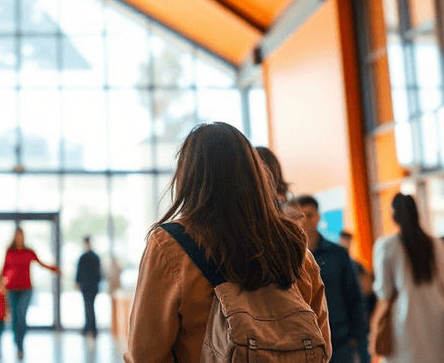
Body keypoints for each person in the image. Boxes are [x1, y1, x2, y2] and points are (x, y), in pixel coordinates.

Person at [125, 122, 329, 363]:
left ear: (188, 177)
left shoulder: (171, 245)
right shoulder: (293, 246)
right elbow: (321, 341)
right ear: (255, 173)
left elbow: (145, 354)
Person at [373, 193, 444, 363]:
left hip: (403, 321)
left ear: (394, 216)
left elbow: (384, 291)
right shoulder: (437, 244)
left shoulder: (386, 246)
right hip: (440, 317)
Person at [290, 196, 368, 363]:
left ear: (318, 216)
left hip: (340, 340)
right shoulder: (289, 259)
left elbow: (354, 296)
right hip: (305, 342)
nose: (304, 222)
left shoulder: (338, 254)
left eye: (309, 215)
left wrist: (357, 338)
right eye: (299, 216)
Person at [0, 227, 59, 359]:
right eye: (17, 236)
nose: (19, 238)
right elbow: (4, 269)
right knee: (14, 318)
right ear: (14, 237)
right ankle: (17, 340)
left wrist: (54, 269)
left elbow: (41, 264)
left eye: (21, 235)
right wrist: (0, 283)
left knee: (21, 317)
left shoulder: (29, 252)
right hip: (11, 289)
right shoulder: (9, 252)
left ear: (24, 237)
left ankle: (20, 346)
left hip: (26, 290)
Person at [341, 229, 376, 363]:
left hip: (362, 317)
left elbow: (368, 290)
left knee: (363, 355)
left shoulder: (357, 266)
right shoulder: (338, 264)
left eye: (348, 242)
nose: (346, 245)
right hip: (345, 323)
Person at [75, 235, 101, 340]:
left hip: (86, 286)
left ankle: (89, 329)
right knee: (90, 306)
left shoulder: (83, 257)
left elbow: (79, 272)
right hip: (93, 286)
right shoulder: (96, 257)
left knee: (88, 307)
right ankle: (91, 329)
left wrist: (77, 282)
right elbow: (99, 274)